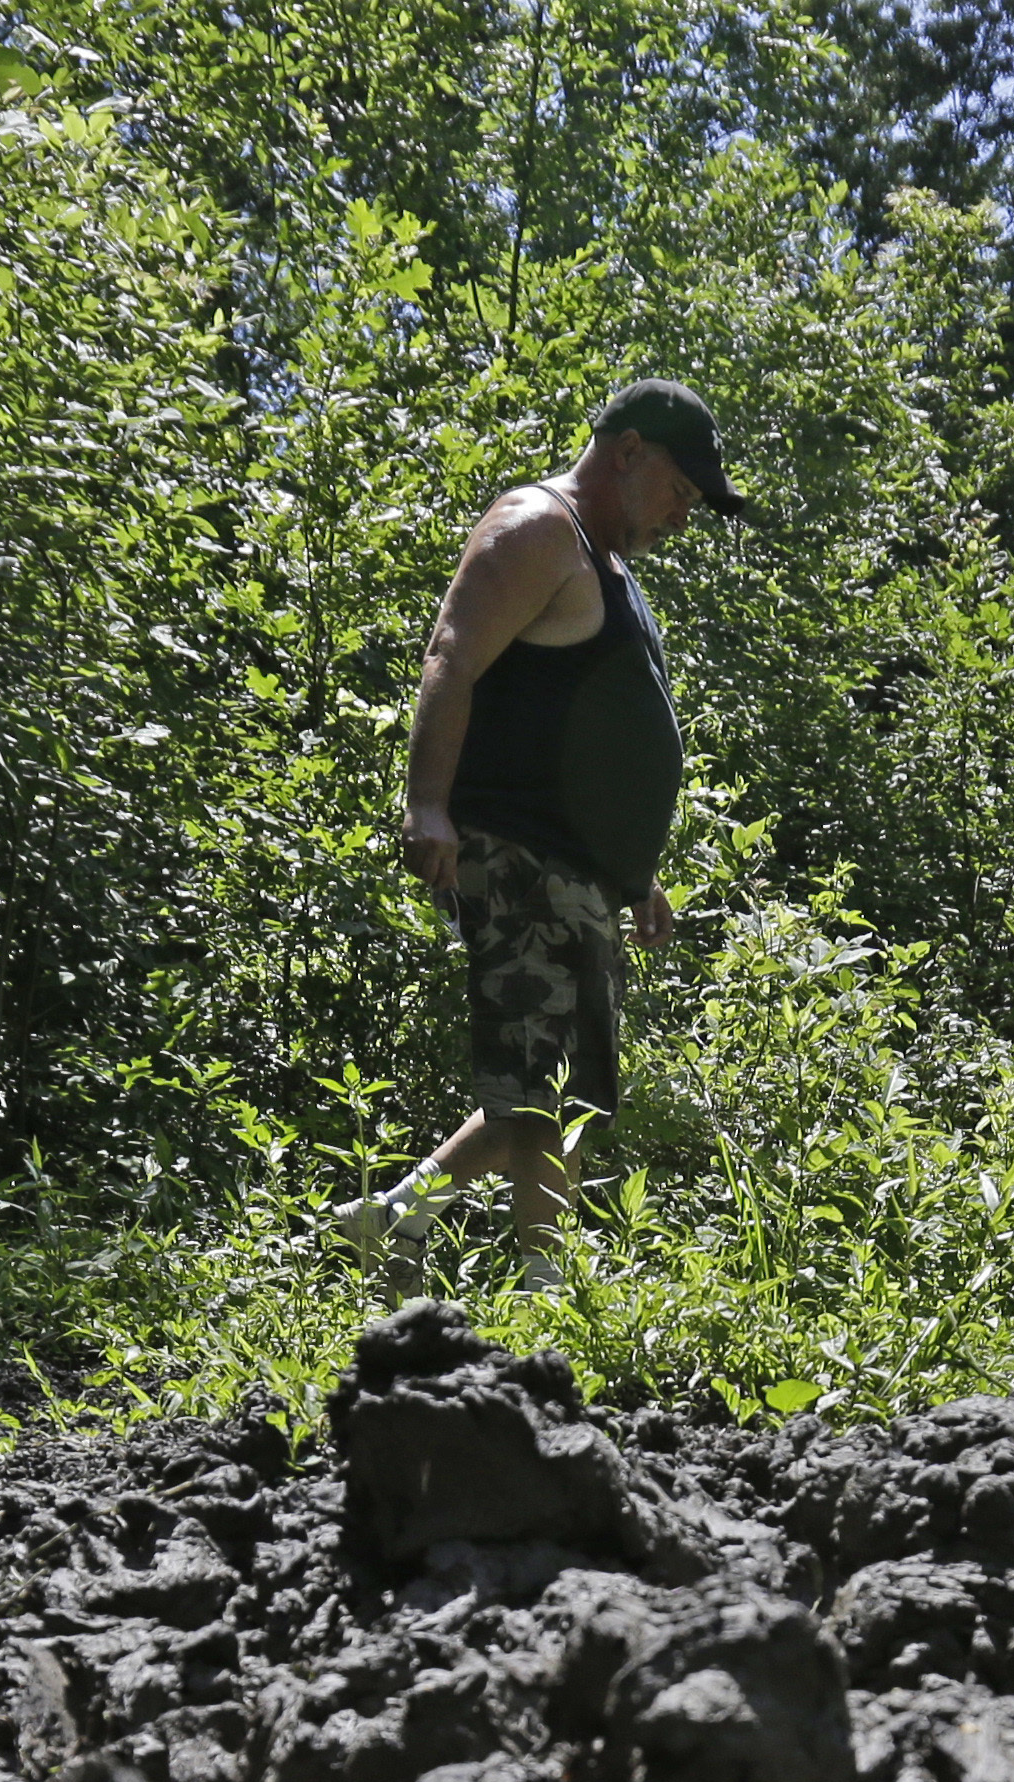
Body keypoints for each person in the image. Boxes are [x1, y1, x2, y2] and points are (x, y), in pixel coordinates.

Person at [351, 376, 747, 1286]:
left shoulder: (606, 565)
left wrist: (632, 868)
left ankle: (392, 1219)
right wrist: (426, 805)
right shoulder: (539, 527)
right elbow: (452, 652)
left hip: (574, 868)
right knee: (543, 1088)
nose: (682, 519)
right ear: (630, 451)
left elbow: (592, 733)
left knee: (563, 1084)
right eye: (681, 494)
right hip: (518, 855)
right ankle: (545, 1290)